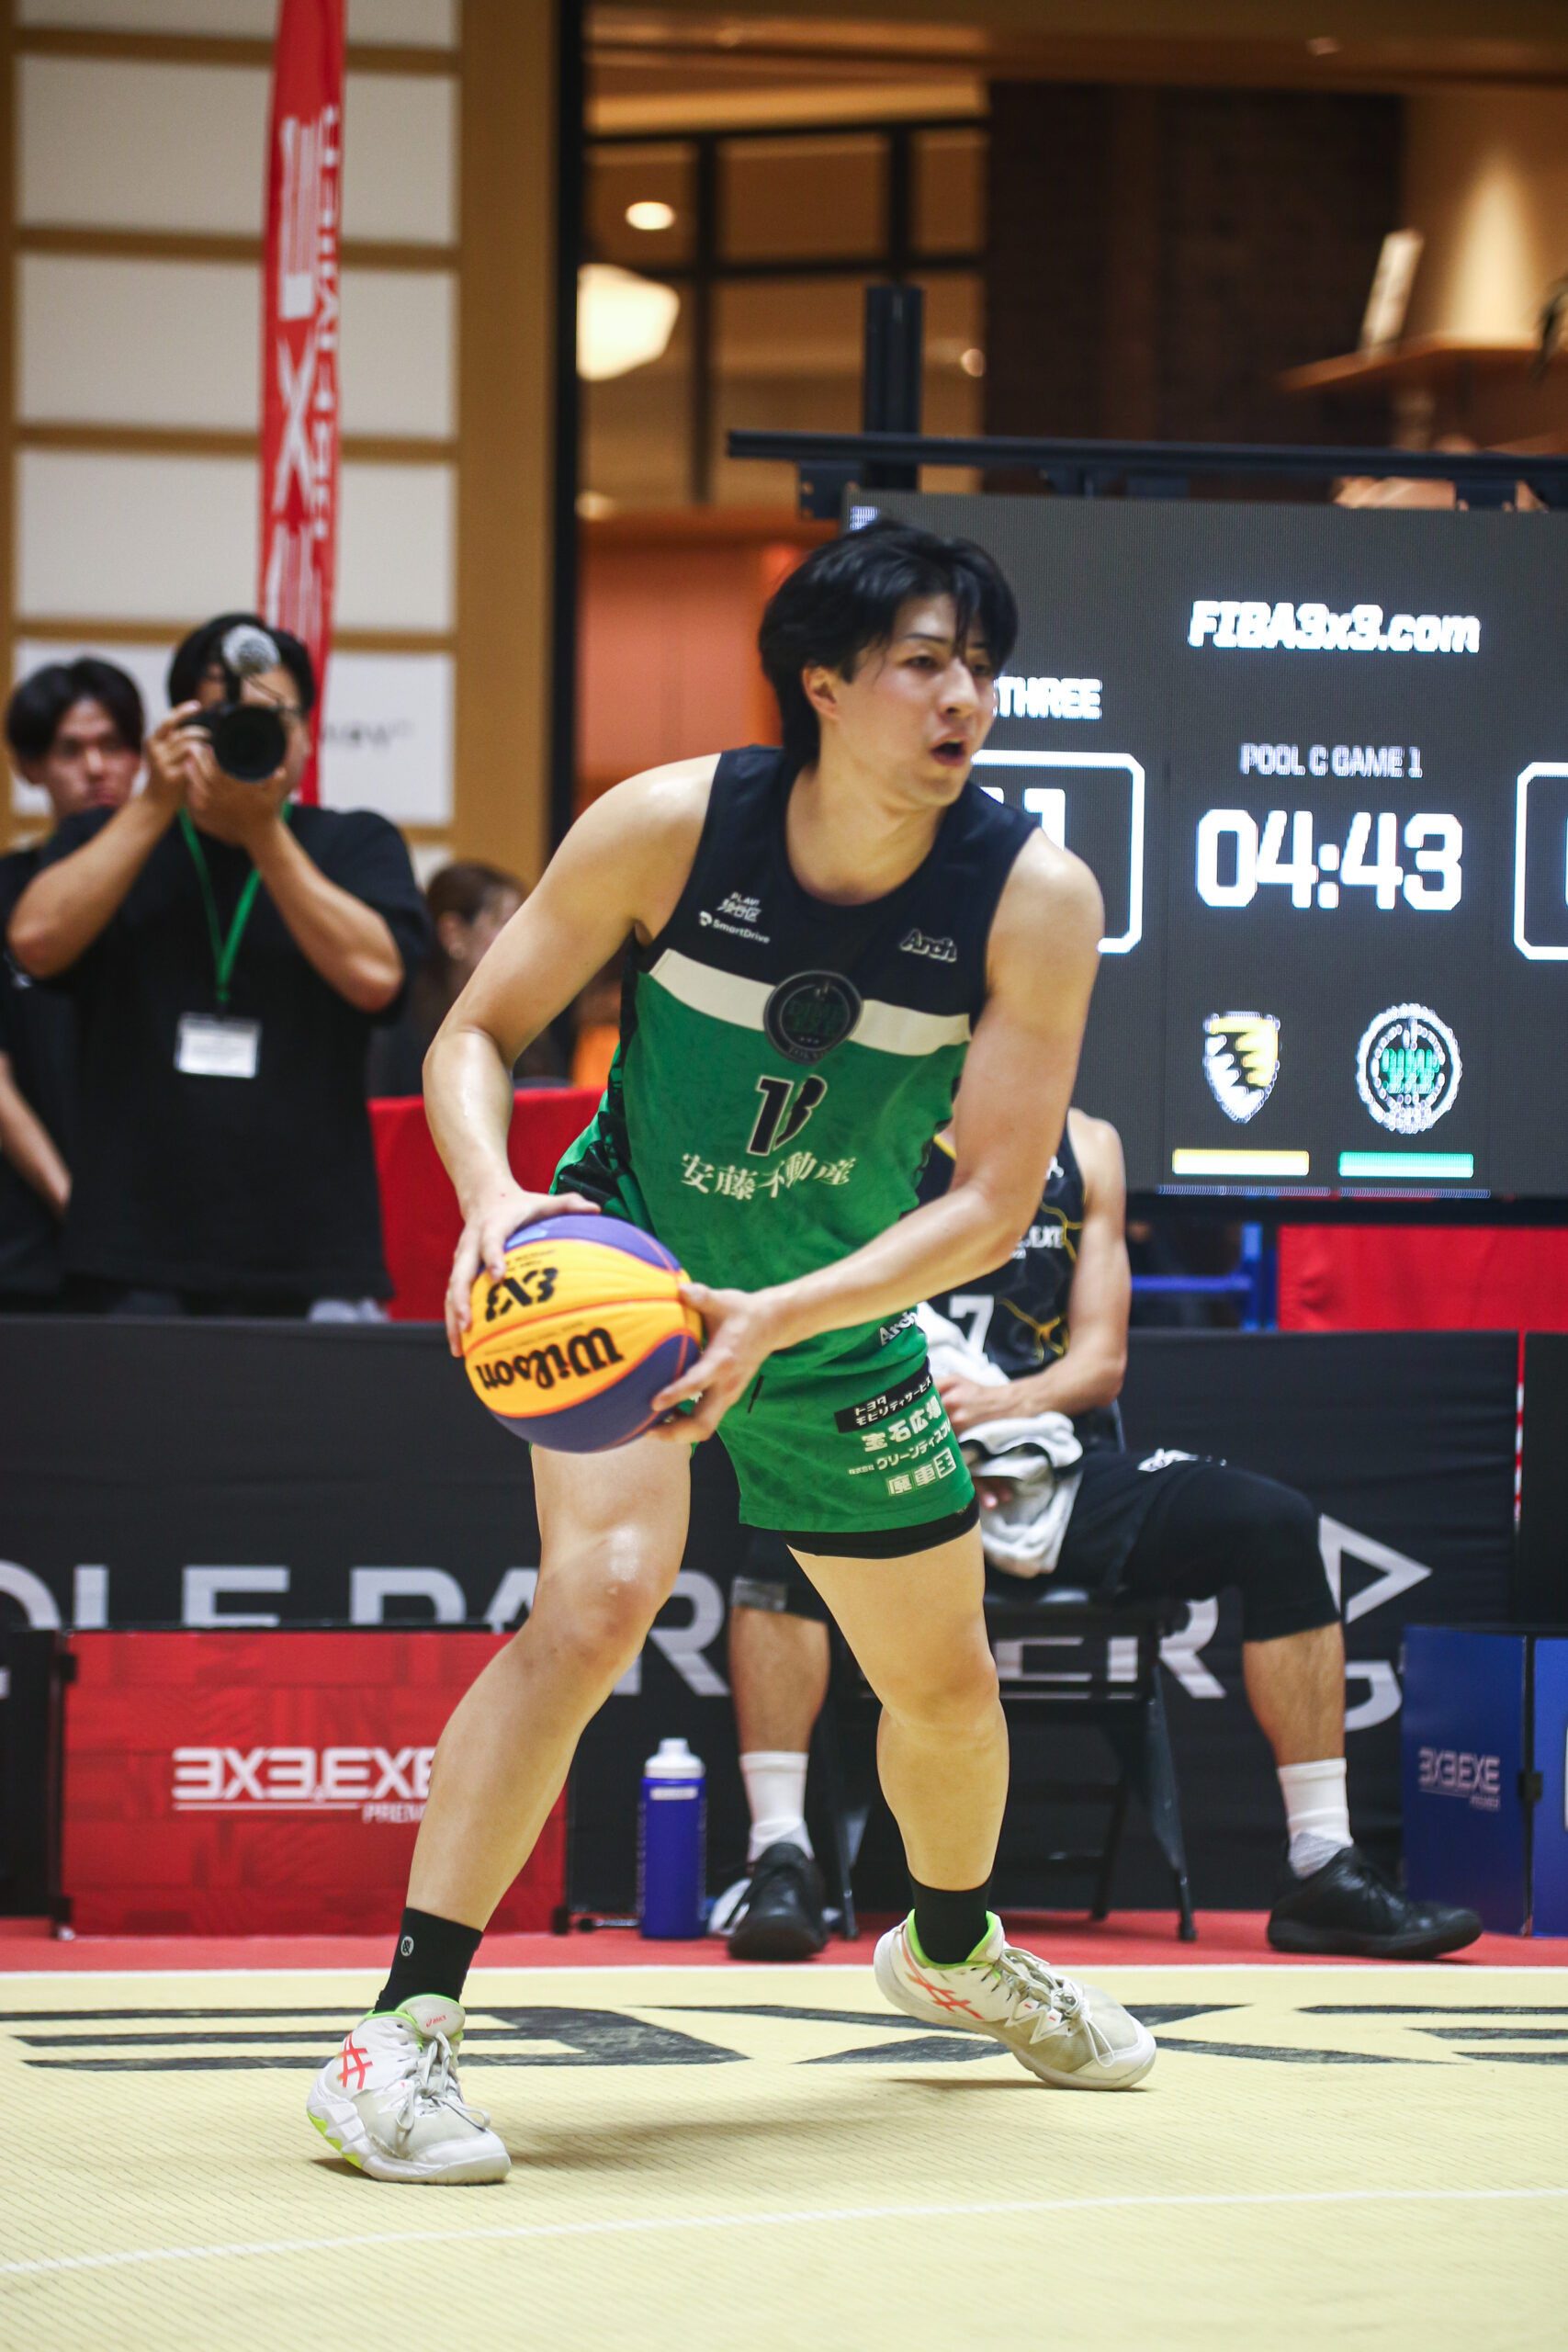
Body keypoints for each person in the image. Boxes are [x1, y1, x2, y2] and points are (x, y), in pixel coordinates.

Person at [304, 515, 1156, 2189]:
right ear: (821, 682)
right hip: (625, 1277)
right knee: (597, 1603)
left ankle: (951, 1948)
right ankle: (394, 2036)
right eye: (923, 663)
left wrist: (782, 1317)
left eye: (980, 668)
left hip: (827, 1317)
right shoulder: (671, 826)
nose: (962, 698)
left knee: (942, 1686)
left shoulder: (1033, 895)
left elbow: (992, 1205)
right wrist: (496, 1203)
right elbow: (474, 1033)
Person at [718, 1105, 1483, 1965]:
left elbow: (1098, 1363)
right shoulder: (861, 1115)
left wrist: (1002, 1407)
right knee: (779, 1537)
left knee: (1273, 1521)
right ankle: (778, 1858)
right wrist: (911, 1420)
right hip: (889, 1451)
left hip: (1045, 1459)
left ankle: (1321, 1864)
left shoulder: (1086, 1146)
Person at [6, 614, 431, 1315]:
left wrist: (262, 832)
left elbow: (376, 979)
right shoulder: (107, 839)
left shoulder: (355, 843)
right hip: (131, 1249)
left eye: (274, 716)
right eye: (222, 719)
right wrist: (154, 801)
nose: (249, 734)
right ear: (180, 727)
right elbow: (35, 943)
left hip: (308, 1248)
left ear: (306, 734)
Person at [0, 659, 144, 1308]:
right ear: (30, 767)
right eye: (70, 750)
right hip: (28, 1241)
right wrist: (71, 1201)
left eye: (113, 745)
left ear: (141, 758)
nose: (95, 768)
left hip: (155, 1243)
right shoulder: (9, 890)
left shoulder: (176, 892)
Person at [366, 861, 562, 1097]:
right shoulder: (400, 1030)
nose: (523, 940)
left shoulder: (523, 1019)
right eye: (505, 922)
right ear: (453, 933)